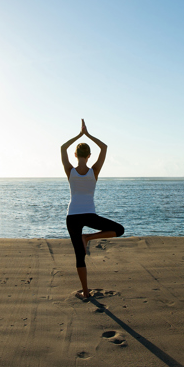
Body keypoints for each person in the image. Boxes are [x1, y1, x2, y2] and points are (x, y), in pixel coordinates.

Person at [60, 119, 125, 299]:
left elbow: (62, 148)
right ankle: (88, 237)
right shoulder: (94, 171)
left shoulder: (70, 171)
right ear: (89, 155)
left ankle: (86, 292)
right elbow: (104, 147)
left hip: (72, 216)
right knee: (119, 230)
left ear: (75, 154)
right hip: (89, 215)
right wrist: (87, 134)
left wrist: (79, 135)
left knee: (79, 256)